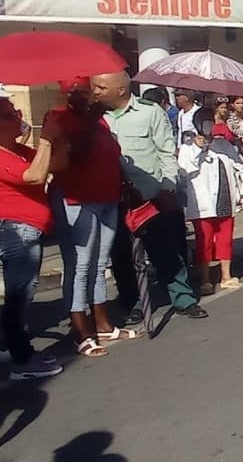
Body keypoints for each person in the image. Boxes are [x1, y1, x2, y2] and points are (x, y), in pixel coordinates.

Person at [94, 71, 208, 324]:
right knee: (122, 255)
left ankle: (183, 298)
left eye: (101, 87)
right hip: (114, 199)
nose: (96, 92)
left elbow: (166, 151)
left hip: (151, 197)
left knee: (165, 251)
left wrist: (168, 188)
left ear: (120, 89)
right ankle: (133, 302)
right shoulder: (95, 118)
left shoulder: (149, 112)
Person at [48, 79, 133, 358]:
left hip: (106, 197)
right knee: (80, 265)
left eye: (95, 91)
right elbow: (75, 155)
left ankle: (102, 323)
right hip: (77, 199)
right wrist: (91, 119)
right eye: (86, 92)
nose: (93, 96)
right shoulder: (60, 118)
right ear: (71, 95)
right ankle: (81, 331)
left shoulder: (101, 122)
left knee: (99, 263)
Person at [0, 98, 64, 378]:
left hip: (30, 228)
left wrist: (59, 137)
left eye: (15, 111)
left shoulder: (18, 150)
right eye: (9, 114)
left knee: (22, 293)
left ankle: (14, 347)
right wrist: (47, 138)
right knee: (19, 295)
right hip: (17, 229)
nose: (18, 116)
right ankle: (22, 359)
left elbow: (56, 164)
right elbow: (35, 176)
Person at [178, 113, 243, 295]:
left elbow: (240, 167)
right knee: (204, 241)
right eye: (204, 123)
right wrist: (198, 147)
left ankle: (226, 276)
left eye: (210, 123)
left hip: (225, 197)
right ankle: (205, 280)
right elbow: (184, 170)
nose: (208, 127)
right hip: (202, 201)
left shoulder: (223, 144)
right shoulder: (187, 148)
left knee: (225, 238)